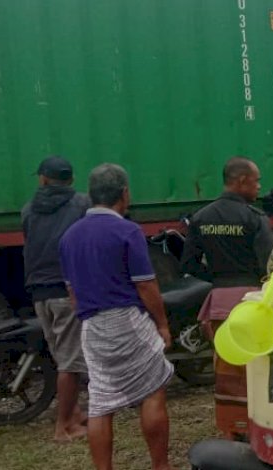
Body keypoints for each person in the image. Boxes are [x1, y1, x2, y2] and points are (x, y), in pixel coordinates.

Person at [59, 164, 173, 470]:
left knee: (101, 402)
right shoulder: (127, 230)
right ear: (124, 194)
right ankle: (160, 466)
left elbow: (73, 293)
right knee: (153, 388)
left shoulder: (69, 237)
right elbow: (146, 285)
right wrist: (161, 324)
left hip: (92, 327)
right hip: (127, 322)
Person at [21, 156, 91, 442]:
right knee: (70, 363)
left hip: (39, 291)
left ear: (42, 179)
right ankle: (64, 427)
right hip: (67, 290)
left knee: (63, 356)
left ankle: (73, 414)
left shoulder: (28, 210)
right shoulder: (82, 204)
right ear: (71, 180)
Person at [181, 157, 273, 287]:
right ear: (242, 181)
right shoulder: (255, 218)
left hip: (217, 296)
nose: (259, 187)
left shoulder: (200, 217)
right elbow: (270, 266)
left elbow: (189, 265)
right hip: (251, 296)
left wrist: (216, 280)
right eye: (257, 181)